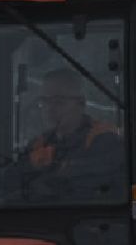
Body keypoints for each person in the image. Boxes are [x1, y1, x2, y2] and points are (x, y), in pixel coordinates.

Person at [18, 68, 124, 199]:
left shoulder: (104, 139)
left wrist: (53, 169)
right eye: (45, 101)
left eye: (59, 101)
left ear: (81, 103)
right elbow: (14, 182)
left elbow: (92, 181)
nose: (50, 108)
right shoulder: (38, 144)